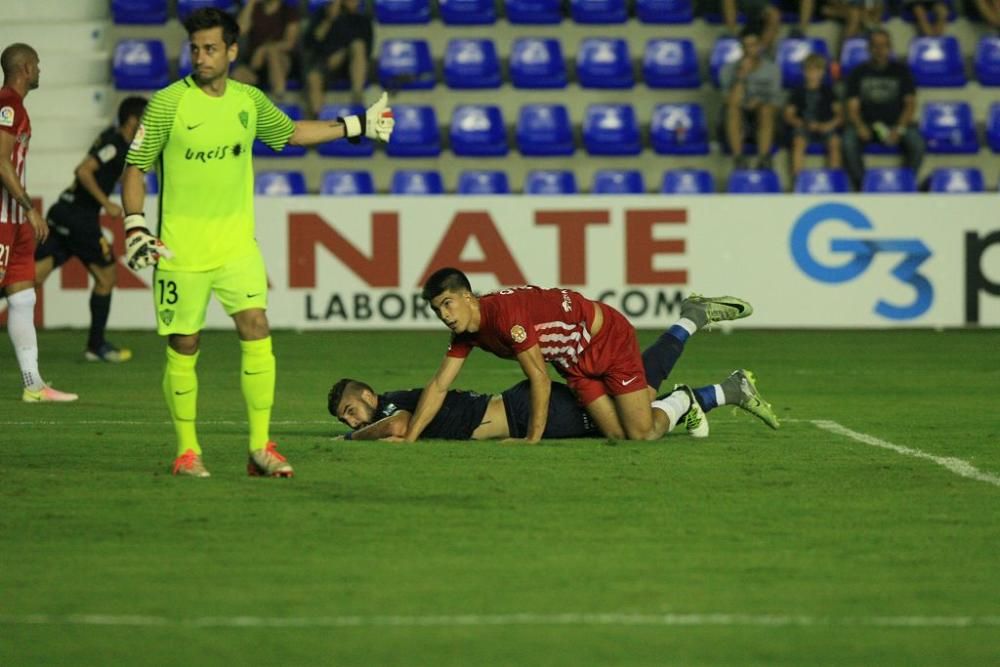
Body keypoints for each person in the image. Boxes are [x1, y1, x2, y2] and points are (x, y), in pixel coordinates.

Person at [120, 8, 393, 478]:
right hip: (181, 251)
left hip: (236, 248)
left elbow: (290, 133)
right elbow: (134, 168)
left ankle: (260, 447)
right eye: (195, 49)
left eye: (210, 49)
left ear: (231, 51)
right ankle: (187, 452)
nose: (201, 57)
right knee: (185, 345)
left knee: (256, 328)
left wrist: (354, 125)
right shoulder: (167, 104)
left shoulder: (248, 100)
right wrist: (134, 224)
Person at [402, 267, 754, 444]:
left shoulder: (506, 318)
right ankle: (695, 350)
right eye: (437, 310)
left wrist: (531, 439)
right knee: (620, 435)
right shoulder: (466, 331)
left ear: (467, 297)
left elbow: (538, 377)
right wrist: (410, 438)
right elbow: (439, 384)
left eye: (447, 304)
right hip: (574, 363)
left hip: (607, 340)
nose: (444, 314)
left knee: (642, 433)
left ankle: (688, 372)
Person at [33, 96, 147, 363]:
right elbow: (83, 171)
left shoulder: (116, 142)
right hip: (79, 219)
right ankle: (96, 346)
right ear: (133, 120)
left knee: (31, 278)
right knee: (107, 278)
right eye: (146, 119)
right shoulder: (114, 144)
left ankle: (96, 345)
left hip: (65, 211)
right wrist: (107, 202)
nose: (148, 124)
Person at [0, 43, 78, 403]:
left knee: (23, 298)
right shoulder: (7, 105)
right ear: (26, 68)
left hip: (14, 220)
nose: (41, 71)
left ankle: (33, 384)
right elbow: (1, 162)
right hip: (3, 218)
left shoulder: (17, 108)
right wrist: (30, 207)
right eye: (38, 65)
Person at [842, 29, 924, 190]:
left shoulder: (902, 71)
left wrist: (899, 129)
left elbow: (910, 105)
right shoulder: (858, 73)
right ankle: (863, 186)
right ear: (869, 48)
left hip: (896, 124)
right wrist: (860, 126)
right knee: (848, 142)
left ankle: (904, 183)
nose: (879, 50)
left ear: (890, 47)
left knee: (918, 144)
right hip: (867, 125)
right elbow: (852, 107)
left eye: (884, 46)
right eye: (875, 46)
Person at [719, 28, 783, 171]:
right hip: (739, 119)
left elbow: (777, 104)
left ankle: (764, 159)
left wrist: (759, 102)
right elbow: (729, 102)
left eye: (753, 45)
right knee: (732, 110)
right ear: (741, 48)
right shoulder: (728, 69)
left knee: (766, 109)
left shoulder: (773, 70)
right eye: (746, 45)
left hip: (765, 118)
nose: (750, 50)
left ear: (760, 45)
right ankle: (739, 159)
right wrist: (741, 76)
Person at [301, 0, 374, 116]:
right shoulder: (323, 15)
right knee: (313, 76)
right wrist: (329, 19)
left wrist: (343, 53)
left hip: (352, 65)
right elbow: (310, 43)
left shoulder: (362, 20)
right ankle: (317, 118)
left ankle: (357, 94)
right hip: (325, 62)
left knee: (358, 46)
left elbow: (367, 51)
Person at [783, 53, 842, 182]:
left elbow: (840, 115)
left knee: (835, 142)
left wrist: (829, 125)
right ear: (804, 72)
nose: (813, 74)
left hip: (825, 126)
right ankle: (798, 180)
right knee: (798, 141)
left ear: (822, 72)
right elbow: (788, 116)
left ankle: (835, 181)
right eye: (809, 70)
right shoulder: (798, 92)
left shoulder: (829, 91)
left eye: (817, 70)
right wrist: (803, 124)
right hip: (804, 126)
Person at [231, 0, 301, 101]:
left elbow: (290, 43)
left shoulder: (289, 12)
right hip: (256, 63)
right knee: (236, 75)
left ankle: (279, 97)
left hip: (281, 60)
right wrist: (251, 3)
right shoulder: (255, 9)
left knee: (272, 54)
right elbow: (241, 30)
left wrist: (264, 49)